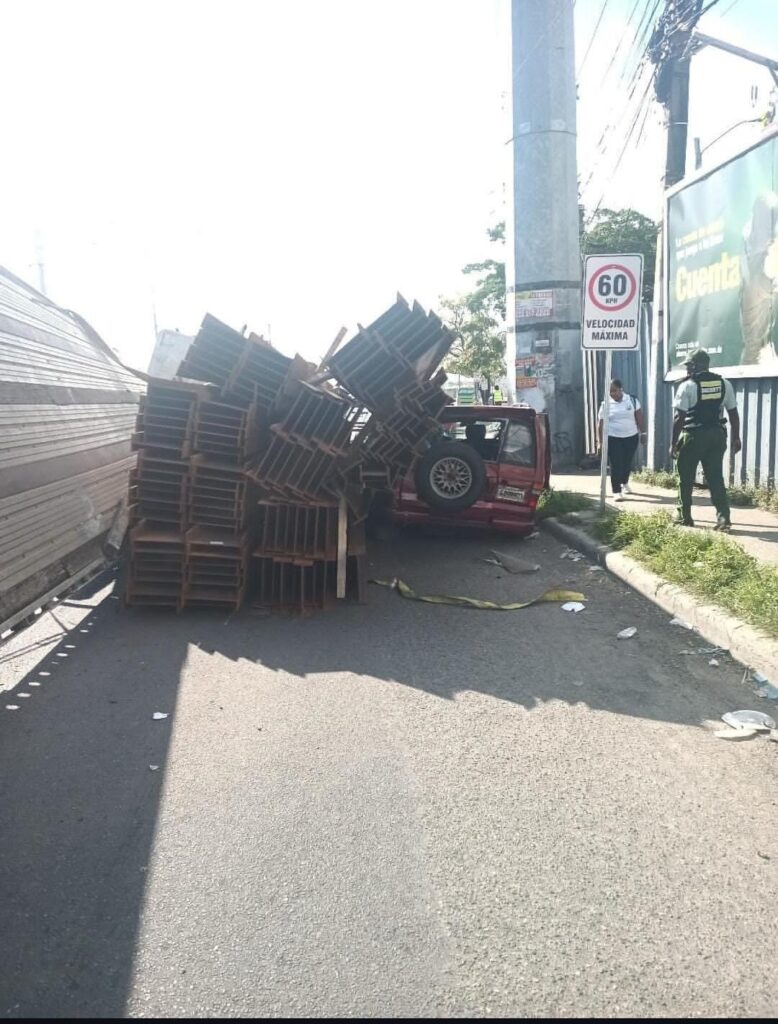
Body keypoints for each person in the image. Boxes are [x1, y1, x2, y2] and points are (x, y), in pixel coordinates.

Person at [670, 348, 741, 530]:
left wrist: (673, 443)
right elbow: (733, 414)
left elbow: (679, 418)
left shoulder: (688, 386)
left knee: (685, 478)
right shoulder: (725, 383)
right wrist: (736, 437)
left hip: (693, 437)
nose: (687, 369)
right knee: (716, 478)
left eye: (689, 365)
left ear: (696, 365)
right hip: (717, 437)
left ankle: (683, 516)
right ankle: (724, 518)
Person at [597, 379, 646, 501]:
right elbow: (600, 423)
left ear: (621, 389)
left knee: (627, 462)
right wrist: (600, 442)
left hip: (631, 437)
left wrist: (643, 432)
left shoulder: (632, 400)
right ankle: (616, 491)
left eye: (614, 390)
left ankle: (624, 482)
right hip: (613, 438)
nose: (612, 394)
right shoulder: (605, 404)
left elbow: (639, 416)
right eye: (609, 392)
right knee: (616, 464)